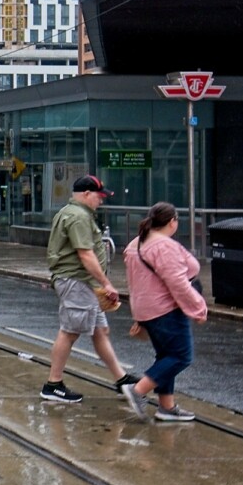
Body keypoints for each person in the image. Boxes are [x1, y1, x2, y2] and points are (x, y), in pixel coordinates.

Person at [39, 175, 137, 403]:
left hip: (83, 283)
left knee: (100, 331)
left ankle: (121, 380)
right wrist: (106, 283)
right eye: (98, 196)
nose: (100, 201)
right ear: (86, 194)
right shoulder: (78, 217)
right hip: (77, 281)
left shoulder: (72, 213)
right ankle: (53, 384)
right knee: (70, 331)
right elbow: (86, 254)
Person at [120, 203, 208, 423]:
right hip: (165, 309)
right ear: (172, 221)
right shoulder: (164, 246)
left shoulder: (136, 243)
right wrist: (198, 307)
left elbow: (135, 281)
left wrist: (136, 315)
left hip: (145, 309)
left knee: (166, 356)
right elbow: (177, 283)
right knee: (181, 356)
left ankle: (166, 407)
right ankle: (138, 390)